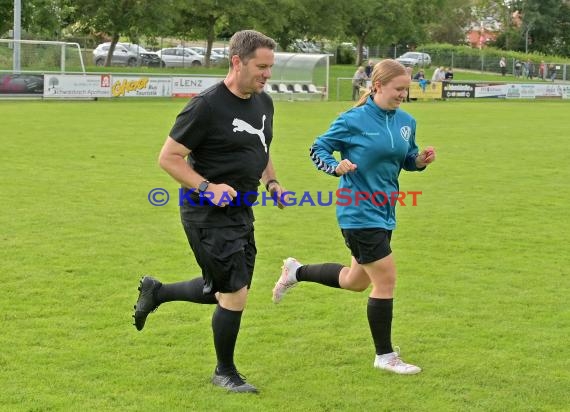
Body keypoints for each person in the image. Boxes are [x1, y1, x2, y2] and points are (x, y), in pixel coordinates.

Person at [132, 29, 287, 394]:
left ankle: (157, 292)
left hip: (242, 211)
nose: (267, 74)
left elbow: (260, 148)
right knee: (234, 293)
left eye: (270, 67)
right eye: (261, 67)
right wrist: (207, 187)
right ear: (237, 62)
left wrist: (273, 182)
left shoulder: (263, 102)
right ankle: (225, 372)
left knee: (225, 290)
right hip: (205, 213)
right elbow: (168, 158)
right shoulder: (206, 105)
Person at [272, 59, 436, 375]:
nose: (403, 94)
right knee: (385, 278)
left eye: (406, 89)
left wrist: (420, 160)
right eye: (398, 88)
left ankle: (297, 271)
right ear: (377, 86)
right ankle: (385, 356)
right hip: (357, 211)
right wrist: (335, 166)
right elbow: (318, 148)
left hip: (385, 210)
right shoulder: (353, 120)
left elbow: (405, 159)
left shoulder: (406, 121)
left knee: (355, 281)